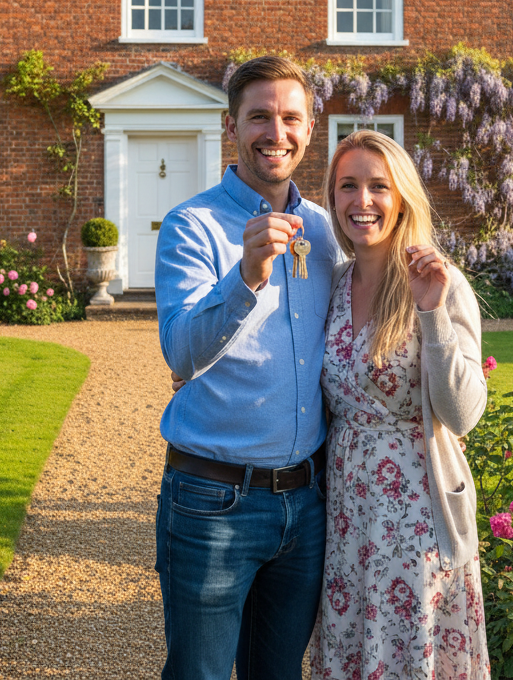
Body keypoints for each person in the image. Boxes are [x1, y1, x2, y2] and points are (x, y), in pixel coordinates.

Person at [154, 56, 342, 680]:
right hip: (213, 500)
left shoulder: (323, 226)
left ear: (310, 129)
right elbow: (181, 352)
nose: (276, 132)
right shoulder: (193, 225)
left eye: (291, 118)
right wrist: (247, 276)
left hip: (307, 501)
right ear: (230, 124)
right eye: (259, 116)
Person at [310, 129, 490, 680]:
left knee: (410, 653)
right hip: (344, 515)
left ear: (402, 196)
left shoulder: (439, 281)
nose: (362, 202)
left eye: (377, 187)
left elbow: (462, 415)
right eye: (347, 186)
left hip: (416, 513)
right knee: (350, 647)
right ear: (332, 197)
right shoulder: (333, 284)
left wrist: (432, 314)